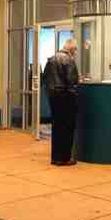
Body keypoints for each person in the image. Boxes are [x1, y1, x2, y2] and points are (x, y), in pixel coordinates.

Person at [42, 38, 79, 166]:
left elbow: (45, 78)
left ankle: (56, 158)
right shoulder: (69, 61)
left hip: (53, 97)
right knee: (67, 128)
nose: (76, 53)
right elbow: (72, 82)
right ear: (72, 49)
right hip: (66, 98)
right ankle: (65, 158)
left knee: (57, 127)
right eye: (76, 50)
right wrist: (75, 100)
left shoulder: (51, 59)